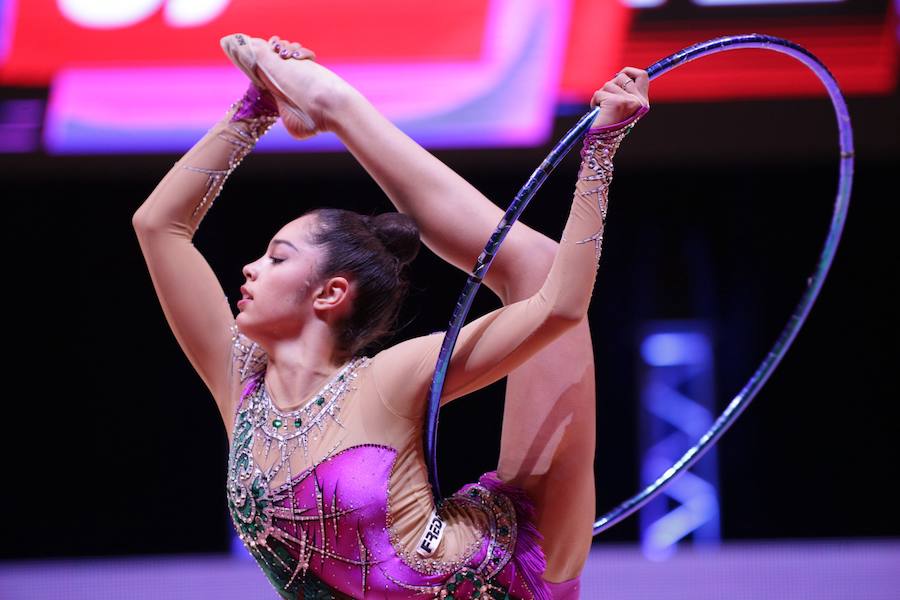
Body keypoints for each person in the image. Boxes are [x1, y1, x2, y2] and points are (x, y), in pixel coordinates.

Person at [133, 33, 649, 600]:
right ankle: (328, 105)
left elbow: (561, 305)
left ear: (329, 294)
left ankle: (336, 105)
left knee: (537, 268)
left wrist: (600, 152)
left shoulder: (387, 378)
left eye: (277, 258)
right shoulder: (242, 385)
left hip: (512, 573)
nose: (249, 269)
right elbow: (159, 226)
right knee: (533, 264)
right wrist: (256, 109)